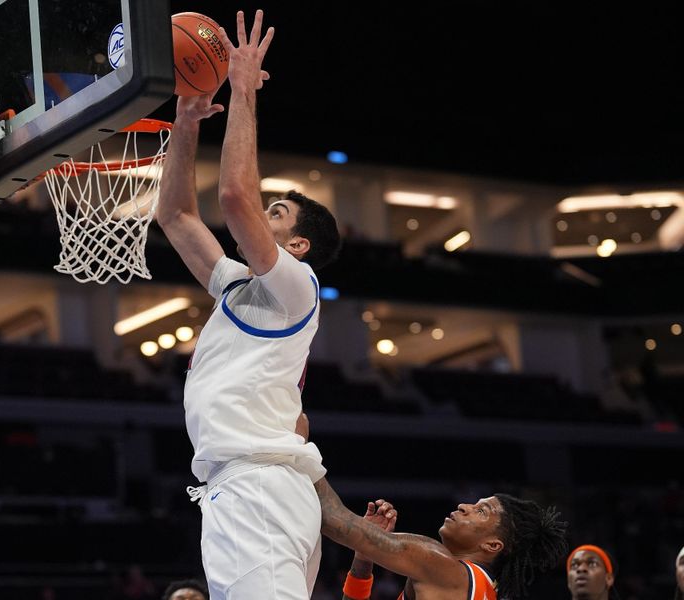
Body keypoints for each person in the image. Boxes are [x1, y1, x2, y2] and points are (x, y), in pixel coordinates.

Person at [156, 8, 341, 600]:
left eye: (278, 214)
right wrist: (186, 121)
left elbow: (235, 196)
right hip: (246, 487)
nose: (264, 215)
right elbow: (177, 217)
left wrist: (241, 89)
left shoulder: (297, 287)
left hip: (258, 487)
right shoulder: (240, 285)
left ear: (299, 244)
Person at [315, 478, 568, 600]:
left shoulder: (442, 567)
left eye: (481, 511)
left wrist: (300, 449)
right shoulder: (481, 590)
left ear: (492, 545)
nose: (464, 506)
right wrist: (364, 557)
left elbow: (334, 521)